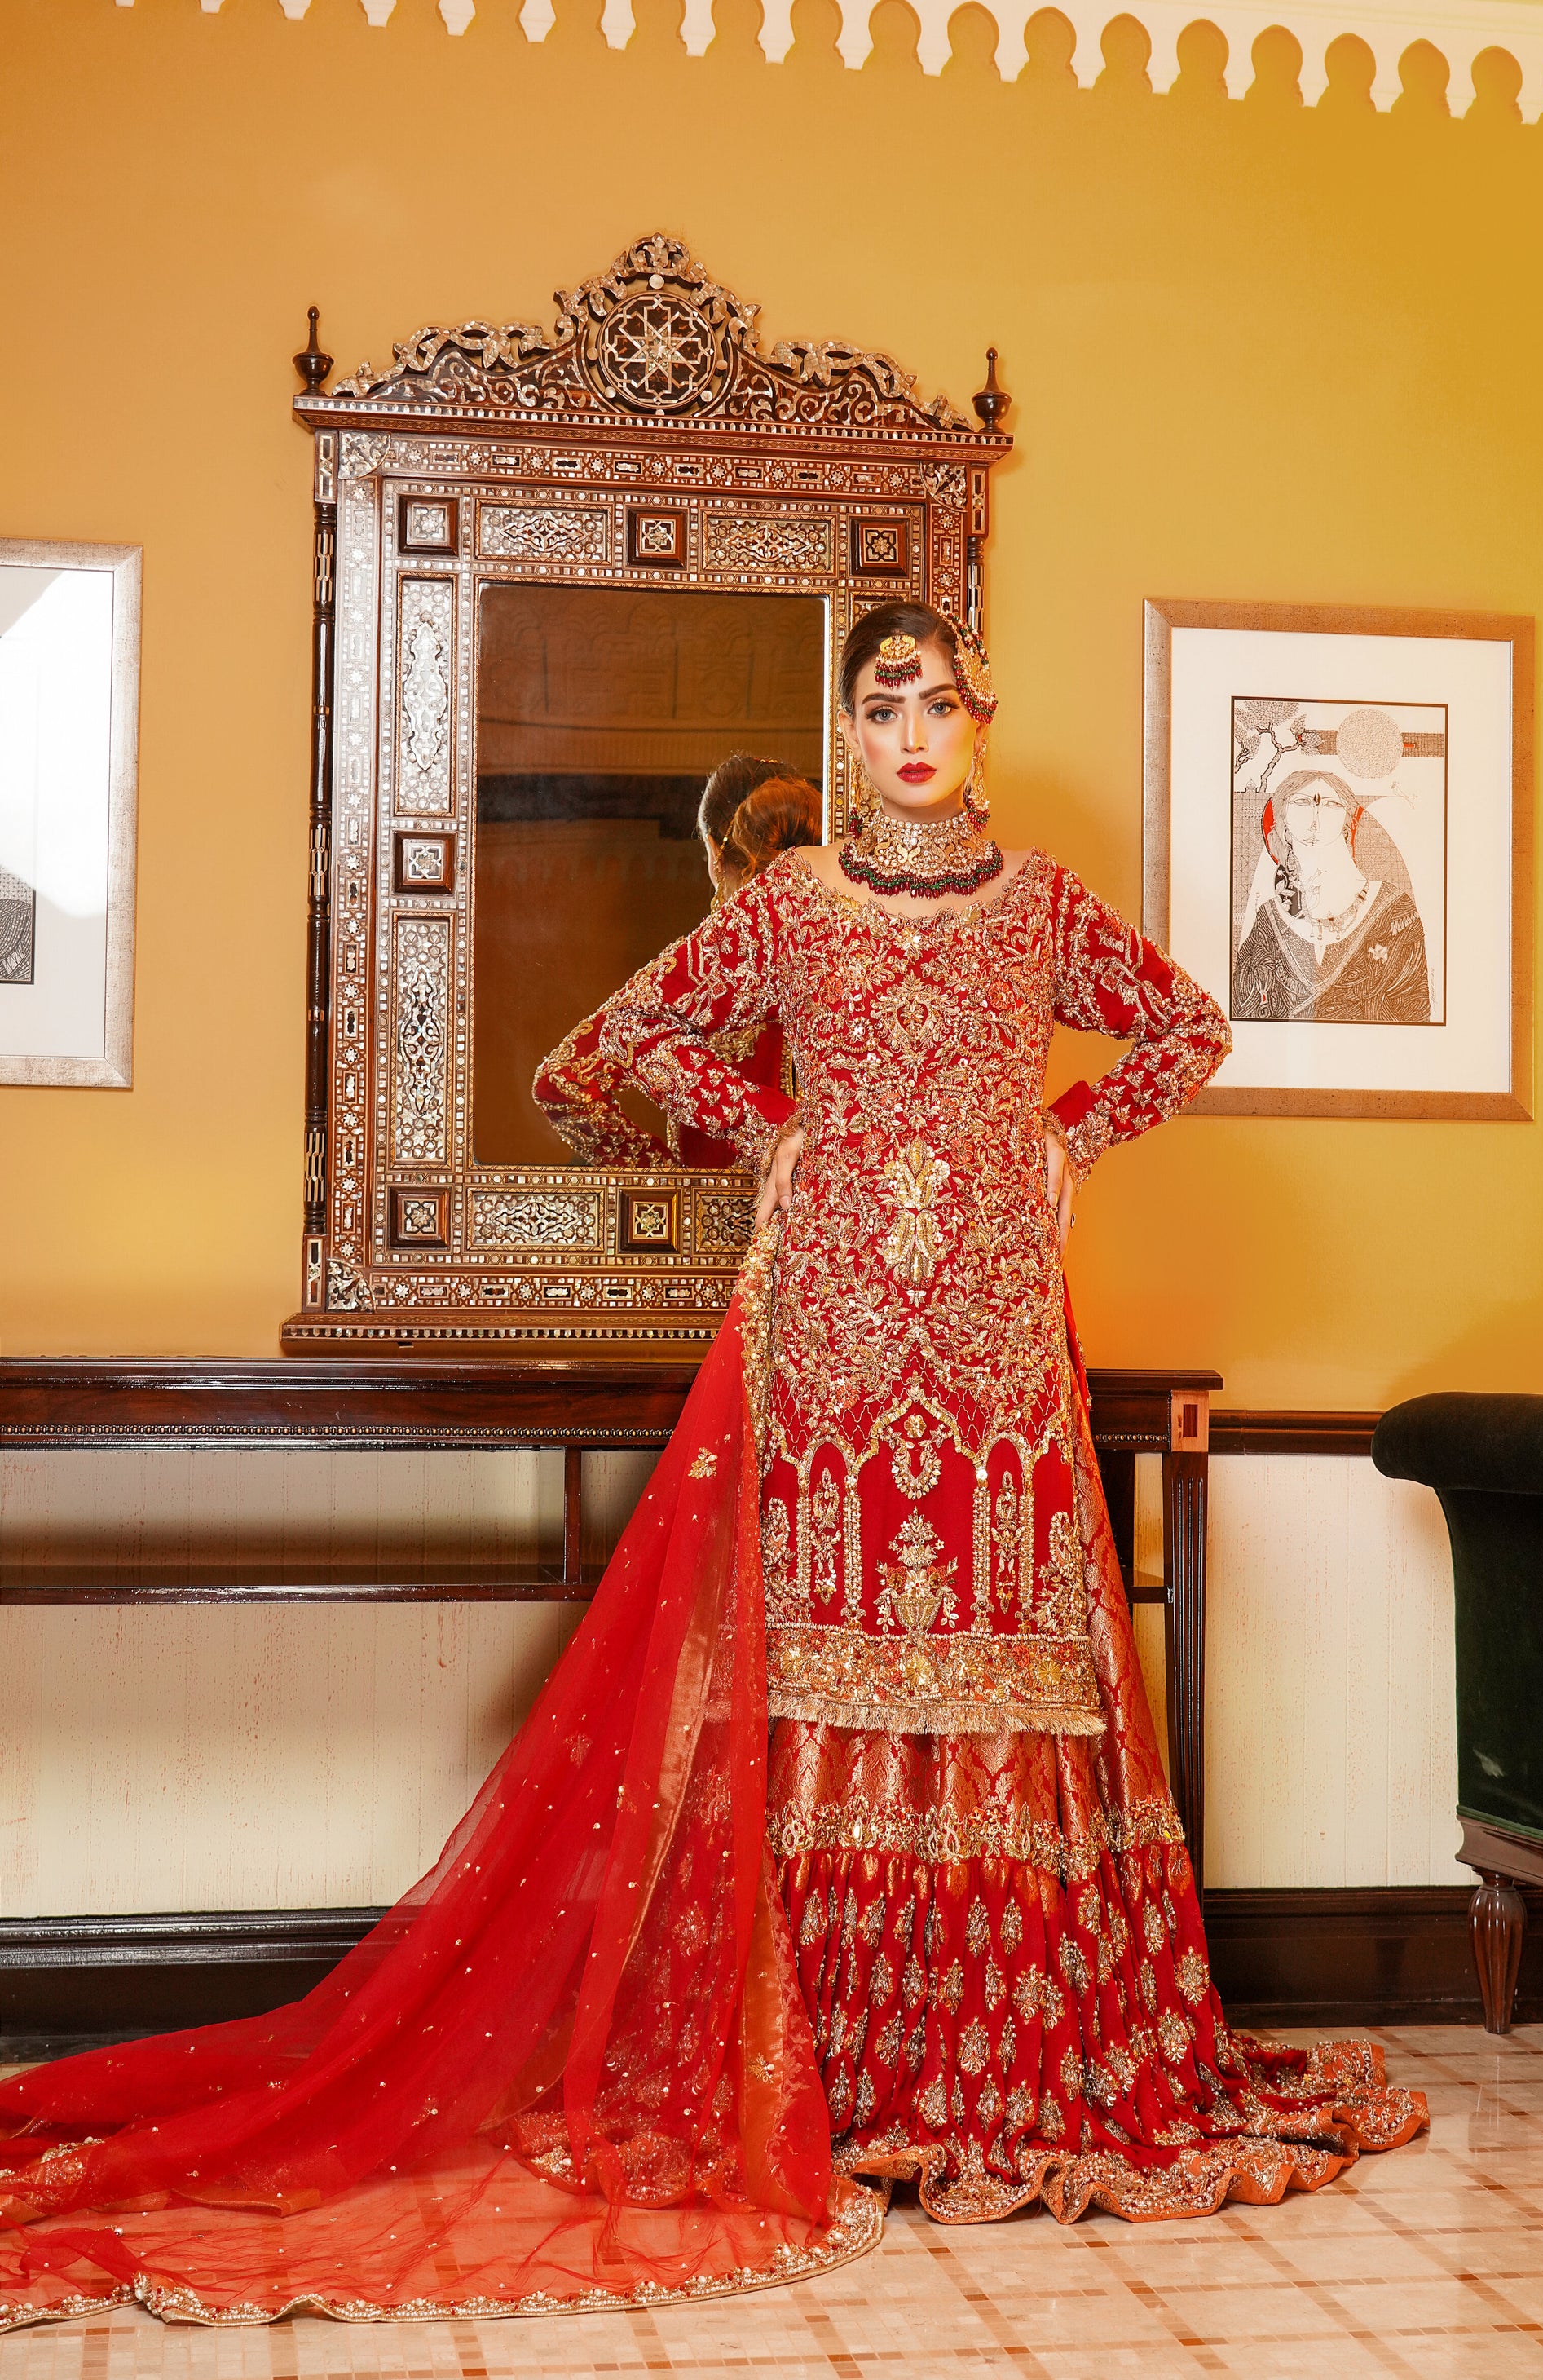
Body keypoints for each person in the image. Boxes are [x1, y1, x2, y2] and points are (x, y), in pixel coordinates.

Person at [0, 607, 1426, 2337]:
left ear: (985, 718)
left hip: (991, 1338)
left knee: (1015, 1679)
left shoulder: (1044, 908)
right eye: (879, 701)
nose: (912, 729)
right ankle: (826, 2068)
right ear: (845, 727)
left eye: (940, 701)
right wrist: (774, 1133)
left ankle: (998, 2071)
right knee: (813, 1674)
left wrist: (1063, 1135)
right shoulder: (787, 905)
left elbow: (1184, 1029)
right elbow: (609, 1051)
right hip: (825, 1335)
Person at [533, 763, 821, 1168]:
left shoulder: (693, 973)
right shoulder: (840, 944)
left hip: (707, 1222)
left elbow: (562, 1082)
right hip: (832, 1214)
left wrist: (663, 1178)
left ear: (713, 851)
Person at [1232, 764, 1430, 1024]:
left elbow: (1415, 1010)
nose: (1316, 814)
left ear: (1349, 820)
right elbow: (1245, 1009)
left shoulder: (1393, 907)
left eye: (1331, 804)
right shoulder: (1269, 916)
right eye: (1302, 802)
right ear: (1282, 821)